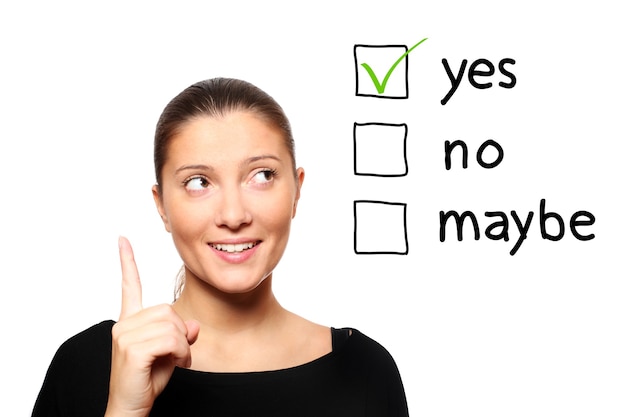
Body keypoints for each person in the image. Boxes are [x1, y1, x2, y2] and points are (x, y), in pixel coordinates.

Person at [31, 77, 409, 416]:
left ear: (297, 191)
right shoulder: (87, 366)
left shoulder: (366, 372)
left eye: (262, 176)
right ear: (161, 206)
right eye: (199, 182)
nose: (233, 214)